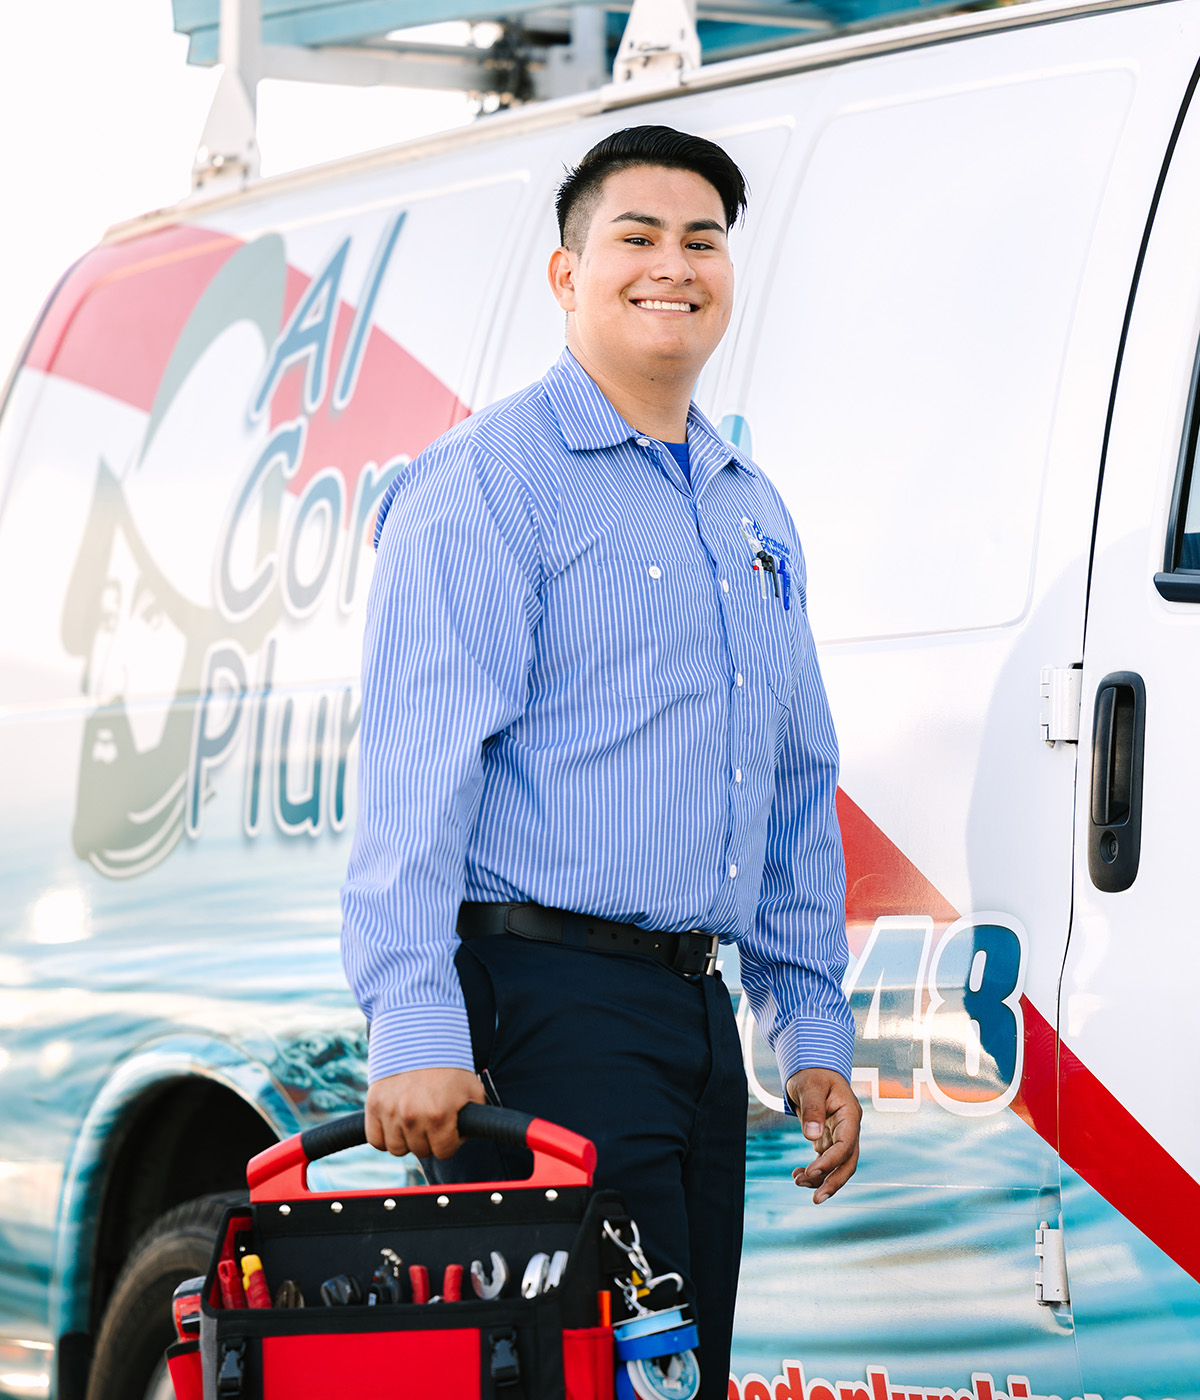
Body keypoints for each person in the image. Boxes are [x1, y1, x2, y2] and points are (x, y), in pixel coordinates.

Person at [340, 124, 859, 1394]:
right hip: (541, 1007)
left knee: (681, 1373)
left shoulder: (752, 507)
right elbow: (417, 772)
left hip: (693, 1012)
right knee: (591, 1377)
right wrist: (415, 1021)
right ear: (567, 274)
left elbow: (791, 779)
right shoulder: (488, 482)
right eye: (635, 237)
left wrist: (813, 1028)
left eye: (703, 240)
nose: (671, 265)